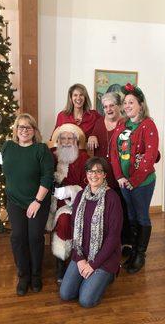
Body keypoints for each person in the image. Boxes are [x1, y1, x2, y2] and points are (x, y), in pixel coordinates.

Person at [1, 113, 54, 296]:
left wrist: (37, 201)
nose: (24, 130)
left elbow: (47, 177)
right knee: (17, 237)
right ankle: (23, 276)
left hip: (37, 201)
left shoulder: (41, 149)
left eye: (28, 127)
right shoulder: (7, 147)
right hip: (15, 201)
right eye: (21, 127)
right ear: (16, 129)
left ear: (34, 131)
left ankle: (36, 275)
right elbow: (5, 170)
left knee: (34, 237)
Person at [60, 157, 123, 308]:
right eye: (90, 171)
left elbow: (113, 238)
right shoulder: (81, 196)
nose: (93, 175)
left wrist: (93, 265)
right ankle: (89, 279)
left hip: (104, 258)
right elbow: (75, 228)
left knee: (86, 300)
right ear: (86, 173)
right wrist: (80, 258)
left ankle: (109, 275)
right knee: (66, 294)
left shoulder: (113, 198)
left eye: (98, 171)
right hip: (83, 253)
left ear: (104, 174)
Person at [110, 83, 159, 274]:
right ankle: (133, 251)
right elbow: (114, 152)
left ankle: (140, 254)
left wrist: (134, 180)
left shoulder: (148, 125)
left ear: (140, 104)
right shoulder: (122, 124)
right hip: (124, 182)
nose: (127, 105)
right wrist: (120, 176)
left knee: (141, 216)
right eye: (125, 103)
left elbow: (150, 155)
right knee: (130, 216)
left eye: (131, 102)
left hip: (142, 183)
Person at [87, 92, 131, 254]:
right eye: (105, 107)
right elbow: (90, 136)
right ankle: (106, 244)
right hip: (101, 177)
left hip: (120, 176)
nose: (108, 109)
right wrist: (91, 136)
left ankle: (125, 243)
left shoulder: (126, 123)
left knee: (121, 211)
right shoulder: (99, 123)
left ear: (119, 106)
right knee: (104, 212)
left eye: (112, 105)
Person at [46, 123, 89, 284]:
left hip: (73, 203)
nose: (65, 141)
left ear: (76, 140)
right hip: (50, 201)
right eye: (62, 138)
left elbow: (88, 186)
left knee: (64, 221)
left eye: (69, 138)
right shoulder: (52, 154)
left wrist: (67, 191)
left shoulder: (84, 158)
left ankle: (62, 262)